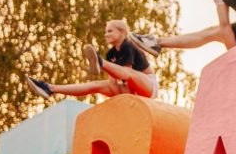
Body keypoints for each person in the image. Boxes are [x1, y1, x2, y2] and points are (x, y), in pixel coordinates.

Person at [26, 19, 158, 100]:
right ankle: (50, 88)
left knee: (130, 74)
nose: (106, 34)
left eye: (110, 31)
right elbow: (112, 83)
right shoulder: (111, 53)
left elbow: (128, 76)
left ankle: (100, 63)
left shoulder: (128, 46)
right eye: (106, 31)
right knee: (96, 85)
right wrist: (120, 96)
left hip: (148, 87)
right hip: (130, 91)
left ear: (122, 32)